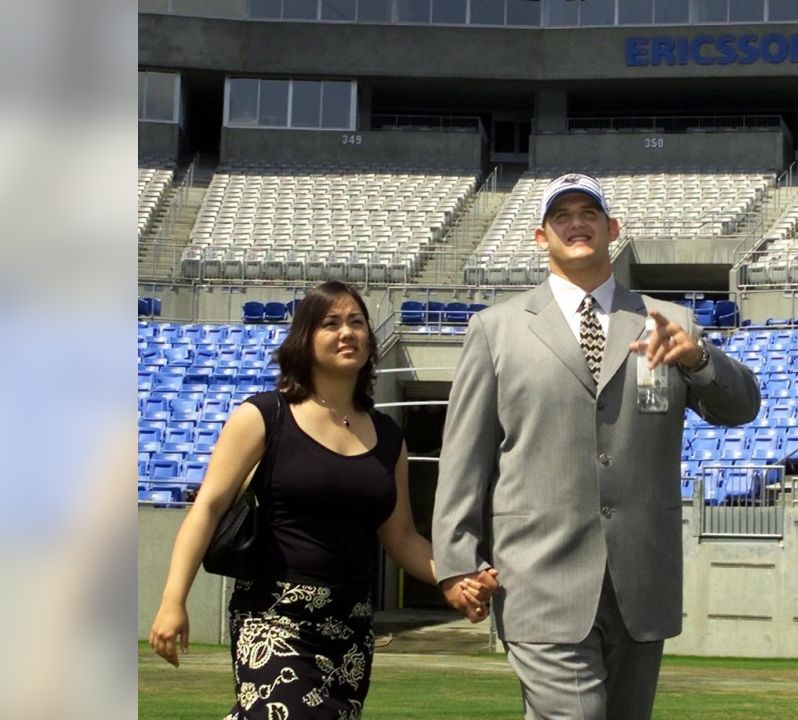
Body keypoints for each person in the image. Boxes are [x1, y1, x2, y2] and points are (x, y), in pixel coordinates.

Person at [433, 173, 761, 719]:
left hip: (641, 582)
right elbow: (464, 454)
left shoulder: (670, 323)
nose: (577, 223)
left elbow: (742, 406)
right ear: (542, 236)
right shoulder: (497, 329)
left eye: (589, 212)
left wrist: (699, 359)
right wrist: (456, 560)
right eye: (562, 215)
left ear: (612, 229)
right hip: (538, 577)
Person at [149, 280, 498, 719]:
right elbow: (209, 507)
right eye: (330, 323)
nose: (346, 332)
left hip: (350, 624)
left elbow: (403, 537)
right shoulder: (263, 416)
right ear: (305, 339)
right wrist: (172, 600)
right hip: (274, 614)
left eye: (356, 322)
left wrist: (456, 576)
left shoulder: (390, 439)